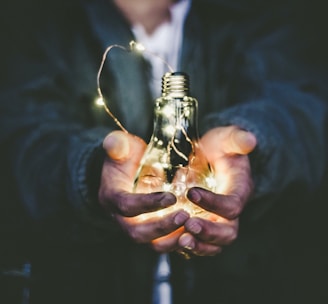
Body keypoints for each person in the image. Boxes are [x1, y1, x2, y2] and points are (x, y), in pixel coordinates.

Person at [0, 0, 327, 303]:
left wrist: (252, 149)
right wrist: (89, 172)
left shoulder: (258, 15)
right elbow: (21, 136)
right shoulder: (44, 21)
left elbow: (303, 110)